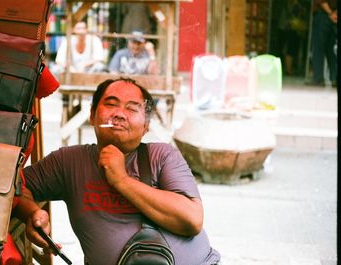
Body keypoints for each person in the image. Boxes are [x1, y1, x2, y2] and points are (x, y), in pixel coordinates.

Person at [13, 78, 221, 265]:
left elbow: (192, 220)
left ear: (146, 125)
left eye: (132, 109)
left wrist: (121, 179)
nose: (120, 114)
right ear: (93, 115)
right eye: (111, 104)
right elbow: (16, 185)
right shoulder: (69, 161)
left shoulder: (162, 155)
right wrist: (32, 213)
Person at [308, 0, 337, 87]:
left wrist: (330, 13)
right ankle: (334, 78)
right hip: (334, 18)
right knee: (331, 50)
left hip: (323, 15)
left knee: (318, 48)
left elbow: (321, 1)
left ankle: (318, 78)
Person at [278, 0, 307, 75]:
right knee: (290, 50)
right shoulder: (294, 5)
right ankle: (288, 69)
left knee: (291, 50)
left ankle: (289, 69)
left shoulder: (291, 4)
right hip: (291, 29)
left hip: (290, 28)